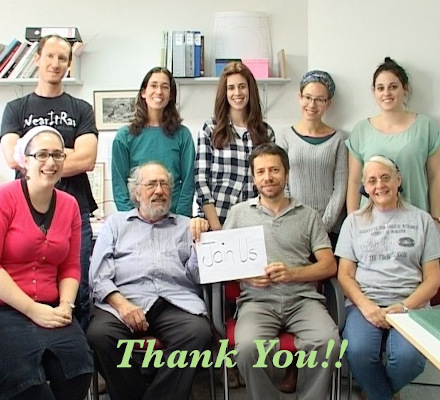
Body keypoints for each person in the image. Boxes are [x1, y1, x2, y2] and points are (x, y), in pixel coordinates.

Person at [223, 142, 341, 400]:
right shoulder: (239, 214)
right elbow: (221, 265)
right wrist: (245, 276)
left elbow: (328, 265)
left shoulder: (309, 215)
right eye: (261, 171)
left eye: (274, 170)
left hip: (303, 301)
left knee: (328, 341)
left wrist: (292, 273)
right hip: (257, 302)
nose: (268, 177)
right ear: (253, 178)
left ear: (286, 174)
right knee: (246, 349)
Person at [87, 162, 212, 400]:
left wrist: (200, 244)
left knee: (198, 333)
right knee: (100, 335)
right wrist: (122, 305)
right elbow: (99, 275)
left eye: (164, 184)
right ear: (136, 192)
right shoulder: (115, 224)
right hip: (122, 301)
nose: (159, 191)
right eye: (151, 184)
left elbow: (198, 277)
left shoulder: (187, 226)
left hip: (174, 301)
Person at [0, 34, 99, 331]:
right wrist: (63, 155)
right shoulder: (16, 108)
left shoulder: (81, 108)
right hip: (24, 211)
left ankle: (74, 354)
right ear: (37, 59)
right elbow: (13, 157)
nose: (56, 64)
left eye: (63, 59)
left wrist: (40, 156)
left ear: (69, 65)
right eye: (50, 56)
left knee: (75, 291)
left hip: (74, 211)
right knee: (24, 285)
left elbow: (87, 159)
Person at [0, 126, 93, 400]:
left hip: (53, 306)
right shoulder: (5, 198)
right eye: (41, 154)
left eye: (57, 155)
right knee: (27, 385)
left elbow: (70, 267)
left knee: (78, 371)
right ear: (25, 161)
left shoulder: (71, 205)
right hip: (8, 309)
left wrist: (66, 306)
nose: (50, 162)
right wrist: (33, 310)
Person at [336, 155, 440, 400]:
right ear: (365, 187)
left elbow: (433, 279)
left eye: (385, 178)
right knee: (359, 352)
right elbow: (345, 274)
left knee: (410, 360)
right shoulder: (353, 222)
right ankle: (384, 393)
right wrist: (367, 306)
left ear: (398, 180)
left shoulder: (422, 220)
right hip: (364, 304)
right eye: (371, 180)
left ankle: (375, 391)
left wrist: (405, 306)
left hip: (410, 305)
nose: (379, 185)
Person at [346, 57, 440, 221]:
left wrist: (436, 218)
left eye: (393, 87)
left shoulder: (426, 127)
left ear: (405, 89)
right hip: (371, 225)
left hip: (416, 223)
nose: (386, 93)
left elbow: (435, 176)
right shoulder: (361, 130)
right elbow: (354, 182)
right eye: (380, 88)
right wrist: (352, 223)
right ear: (374, 91)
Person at [195, 61, 275, 231]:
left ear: (250, 90)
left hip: (255, 224)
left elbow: (270, 184)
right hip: (215, 221)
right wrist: (218, 229)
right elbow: (201, 181)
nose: (237, 93)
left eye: (242, 86)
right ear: (224, 93)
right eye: (231, 88)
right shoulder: (210, 129)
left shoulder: (266, 133)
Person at [277, 70, 347, 249]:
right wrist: (294, 221)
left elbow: (340, 187)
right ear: (299, 97)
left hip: (329, 229)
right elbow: (281, 184)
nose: (312, 104)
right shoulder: (284, 136)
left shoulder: (339, 139)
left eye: (319, 100)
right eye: (307, 97)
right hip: (293, 226)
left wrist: (323, 226)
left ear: (328, 103)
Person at [112, 66, 195, 217]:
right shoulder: (124, 136)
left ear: (171, 95)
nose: (159, 91)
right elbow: (119, 185)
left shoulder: (183, 135)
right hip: (137, 221)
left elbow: (188, 183)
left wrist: (181, 219)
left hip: (174, 219)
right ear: (143, 92)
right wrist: (131, 219)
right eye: (154, 86)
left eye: (165, 87)